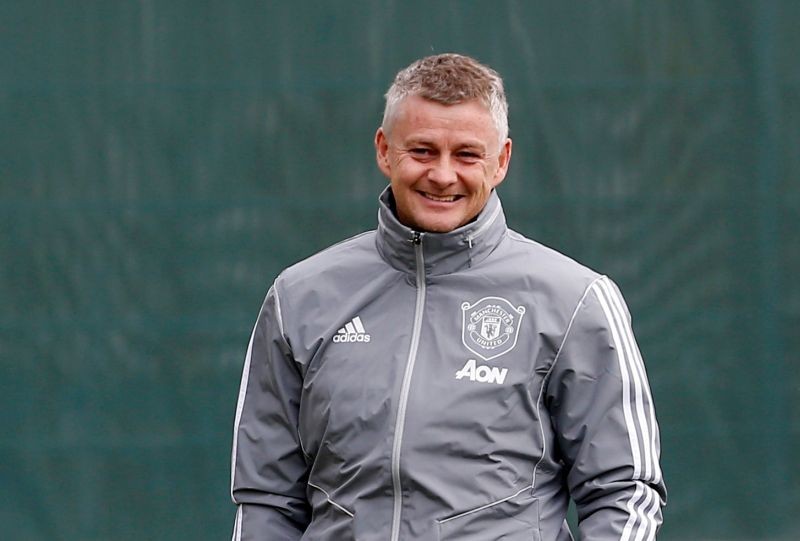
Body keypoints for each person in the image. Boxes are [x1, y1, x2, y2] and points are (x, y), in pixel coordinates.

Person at [230, 53, 666, 541]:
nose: (441, 175)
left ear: (500, 161)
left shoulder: (575, 300)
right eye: (421, 151)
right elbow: (267, 497)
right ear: (384, 150)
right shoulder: (300, 297)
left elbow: (624, 491)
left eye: (466, 155)